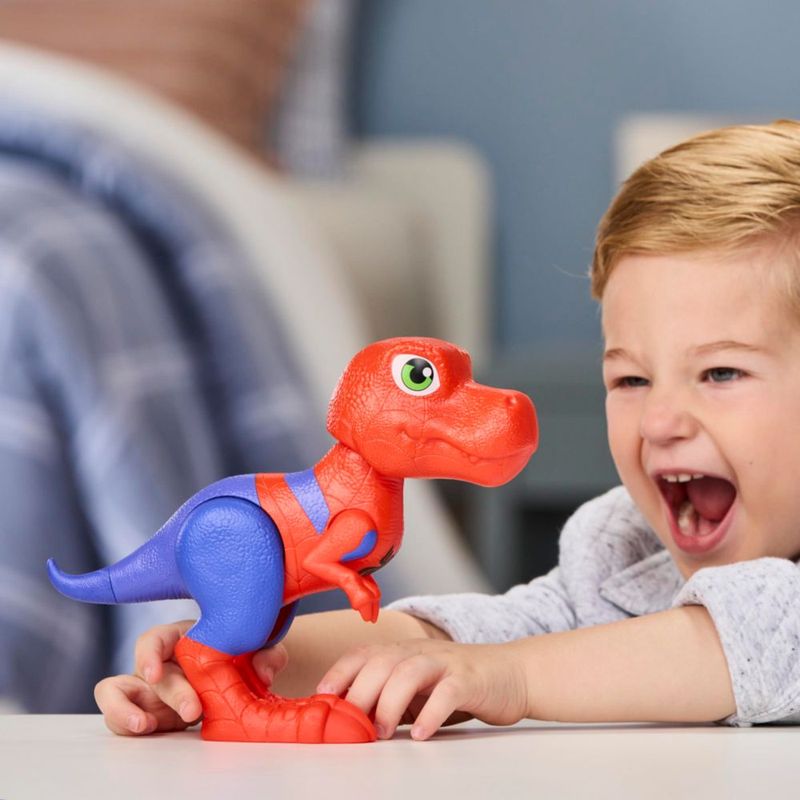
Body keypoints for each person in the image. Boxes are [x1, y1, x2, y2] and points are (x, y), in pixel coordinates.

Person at [95, 120, 800, 740]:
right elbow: (493, 631)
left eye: (721, 373)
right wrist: (240, 658)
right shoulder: (624, 547)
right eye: (631, 380)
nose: (659, 421)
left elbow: (743, 643)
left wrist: (507, 679)